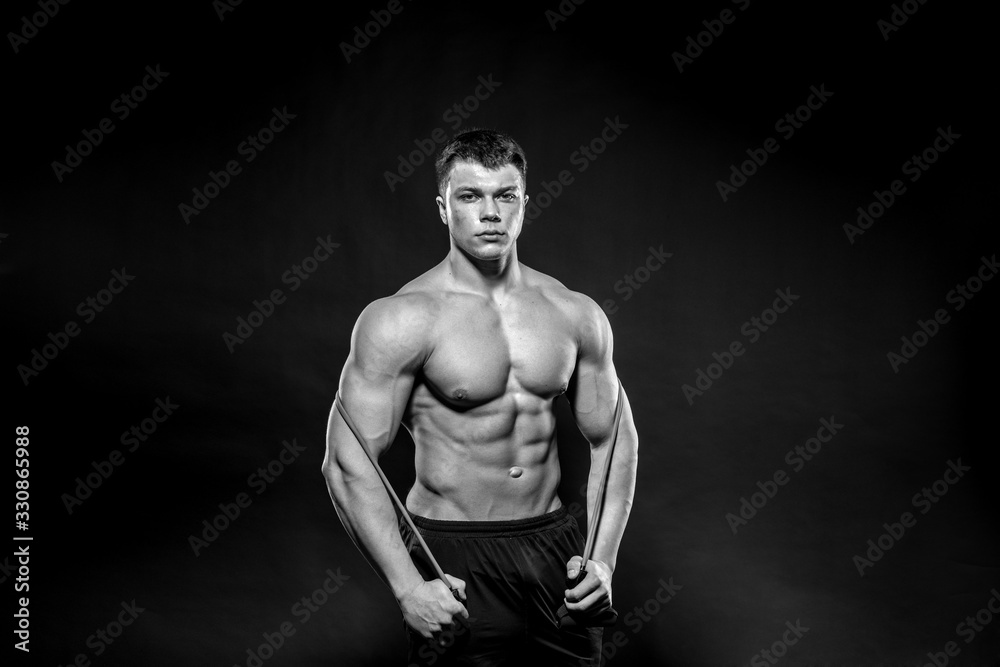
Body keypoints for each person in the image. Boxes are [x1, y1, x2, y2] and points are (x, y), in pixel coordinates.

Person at [322, 128, 638, 666]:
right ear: (444, 207)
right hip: (451, 553)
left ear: (524, 204)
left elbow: (615, 440)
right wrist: (407, 587)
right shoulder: (401, 318)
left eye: (505, 196)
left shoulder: (574, 312)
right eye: (470, 197)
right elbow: (347, 463)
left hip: (555, 550)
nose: (490, 212)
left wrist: (601, 560)